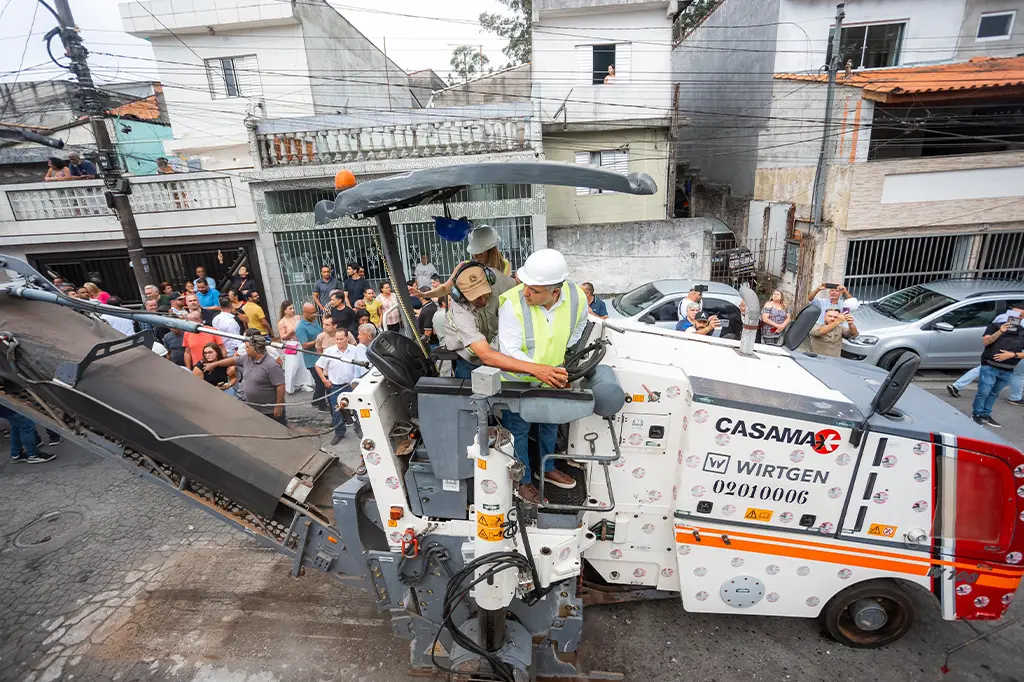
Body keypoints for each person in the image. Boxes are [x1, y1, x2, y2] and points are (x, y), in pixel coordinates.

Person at [497, 249, 583, 502]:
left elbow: (578, 326)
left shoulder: (576, 297)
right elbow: (509, 351)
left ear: (555, 291)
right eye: (525, 285)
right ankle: (522, 481)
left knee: (550, 423)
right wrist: (539, 370)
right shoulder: (512, 304)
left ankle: (546, 469)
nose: (526, 292)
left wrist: (564, 358)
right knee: (519, 431)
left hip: (553, 375)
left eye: (533, 290)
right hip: (518, 380)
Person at [947, 304, 1024, 406]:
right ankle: (1015, 397)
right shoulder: (1021, 323)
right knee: (1018, 375)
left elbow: (990, 332)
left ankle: (957, 385)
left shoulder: (1001, 317)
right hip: (1016, 353)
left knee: (983, 368)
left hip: (995, 349)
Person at [971, 312, 1024, 428]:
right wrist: (1000, 332)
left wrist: (1012, 355)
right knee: (984, 392)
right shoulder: (995, 326)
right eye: (1013, 315)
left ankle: (986, 414)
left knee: (994, 393)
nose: (1016, 319)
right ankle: (976, 414)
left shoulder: (1022, 331)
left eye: (1019, 316)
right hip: (990, 365)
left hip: (1007, 368)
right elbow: (986, 342)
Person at [315, 328, 367, 445]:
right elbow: (318, 366)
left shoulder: (355, 350)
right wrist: (324, 380)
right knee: (337, 411)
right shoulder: (330, 351)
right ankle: (339, 433)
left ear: (347, 338)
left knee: (358, 409)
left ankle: (361, 431)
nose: (339, 342)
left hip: (352, 385)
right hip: (336, 387)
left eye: (341, 339)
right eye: (337, 339)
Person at [295, 302, 326, 411]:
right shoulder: (301, 327)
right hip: (312, 359)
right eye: (312, 313)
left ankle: (316, 400)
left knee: (321, 382)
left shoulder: (314, 321)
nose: (315, 315)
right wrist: (318, 340)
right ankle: (322, 405)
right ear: (305, 313)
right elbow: (305, 345)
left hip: (320, 356)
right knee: (321, 382)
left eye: (315, 312)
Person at [278, 300, 314, 394]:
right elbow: (282, 336)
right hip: (291, 344)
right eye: (290, 308)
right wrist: (291, 332)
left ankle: (304, 383)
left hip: (300, 342)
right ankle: (290, 386)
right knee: (292, 366)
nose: (292, 310)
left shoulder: (297, 317)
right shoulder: (282, 322)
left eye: (293, 308)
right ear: (285, 310)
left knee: (303, 364)